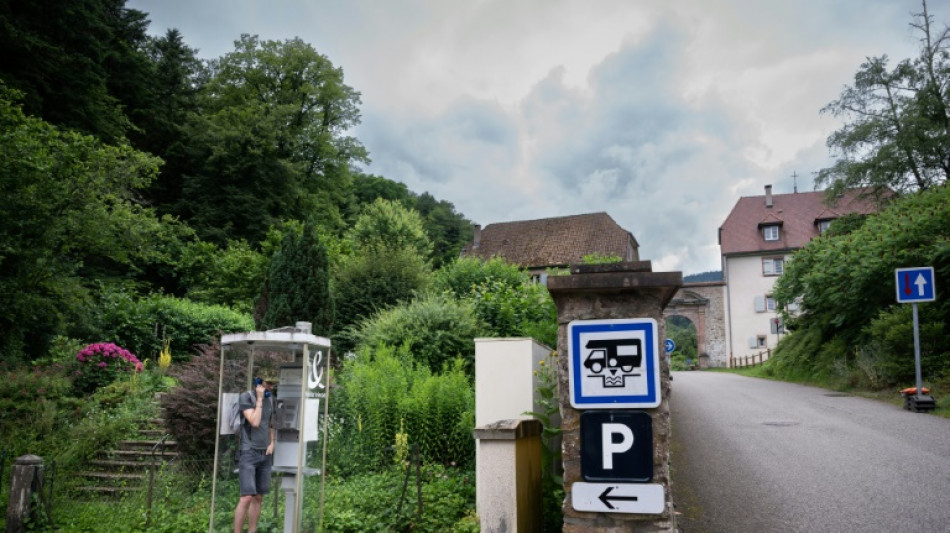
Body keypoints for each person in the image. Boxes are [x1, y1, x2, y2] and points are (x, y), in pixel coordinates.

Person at [234, 376, 276, 533]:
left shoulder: (271, 399)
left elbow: (269, 423)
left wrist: (272, 442)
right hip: (248, 452)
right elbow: (255, 421)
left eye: (274, 384)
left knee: (258, 497)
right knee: (246, 497)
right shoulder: (247, 397)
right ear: (259, 383)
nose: (271, 386)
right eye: (269, 383)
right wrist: (259, 399)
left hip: (265, 453)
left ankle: (252, 530)